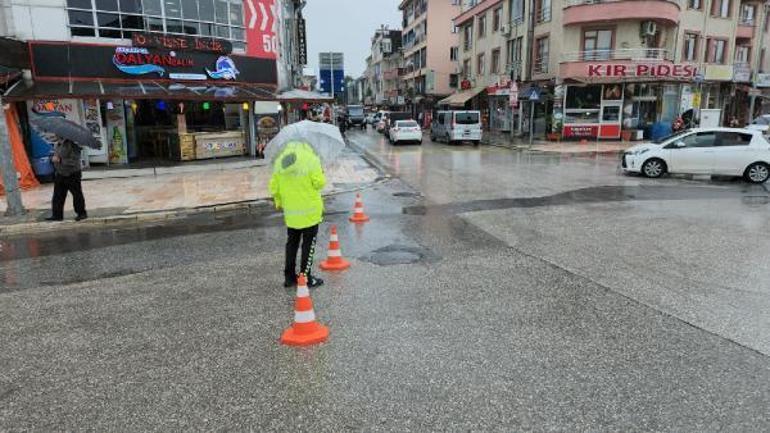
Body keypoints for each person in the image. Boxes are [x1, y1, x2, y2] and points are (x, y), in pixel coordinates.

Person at [269, 141, 326, 288]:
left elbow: (274, 187)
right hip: (310, 212)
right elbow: (319, 183)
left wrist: (279, 202)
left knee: (292, 243)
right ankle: (305, 277)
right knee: (308, 244)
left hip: (291, 212)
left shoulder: (281, 160)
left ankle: (289, 277)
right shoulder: (311, 158)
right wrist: (321, 172)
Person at [46, 138, 87, 221]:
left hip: (72, 174)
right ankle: (57, 215)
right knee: (58, 195)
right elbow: (56, 156)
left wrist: (60, 160)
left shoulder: (72, 145)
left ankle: (81, 213)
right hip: (60, 173)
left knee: (76, 194)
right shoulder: (58, 144)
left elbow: (74, 161)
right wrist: (52, 157)